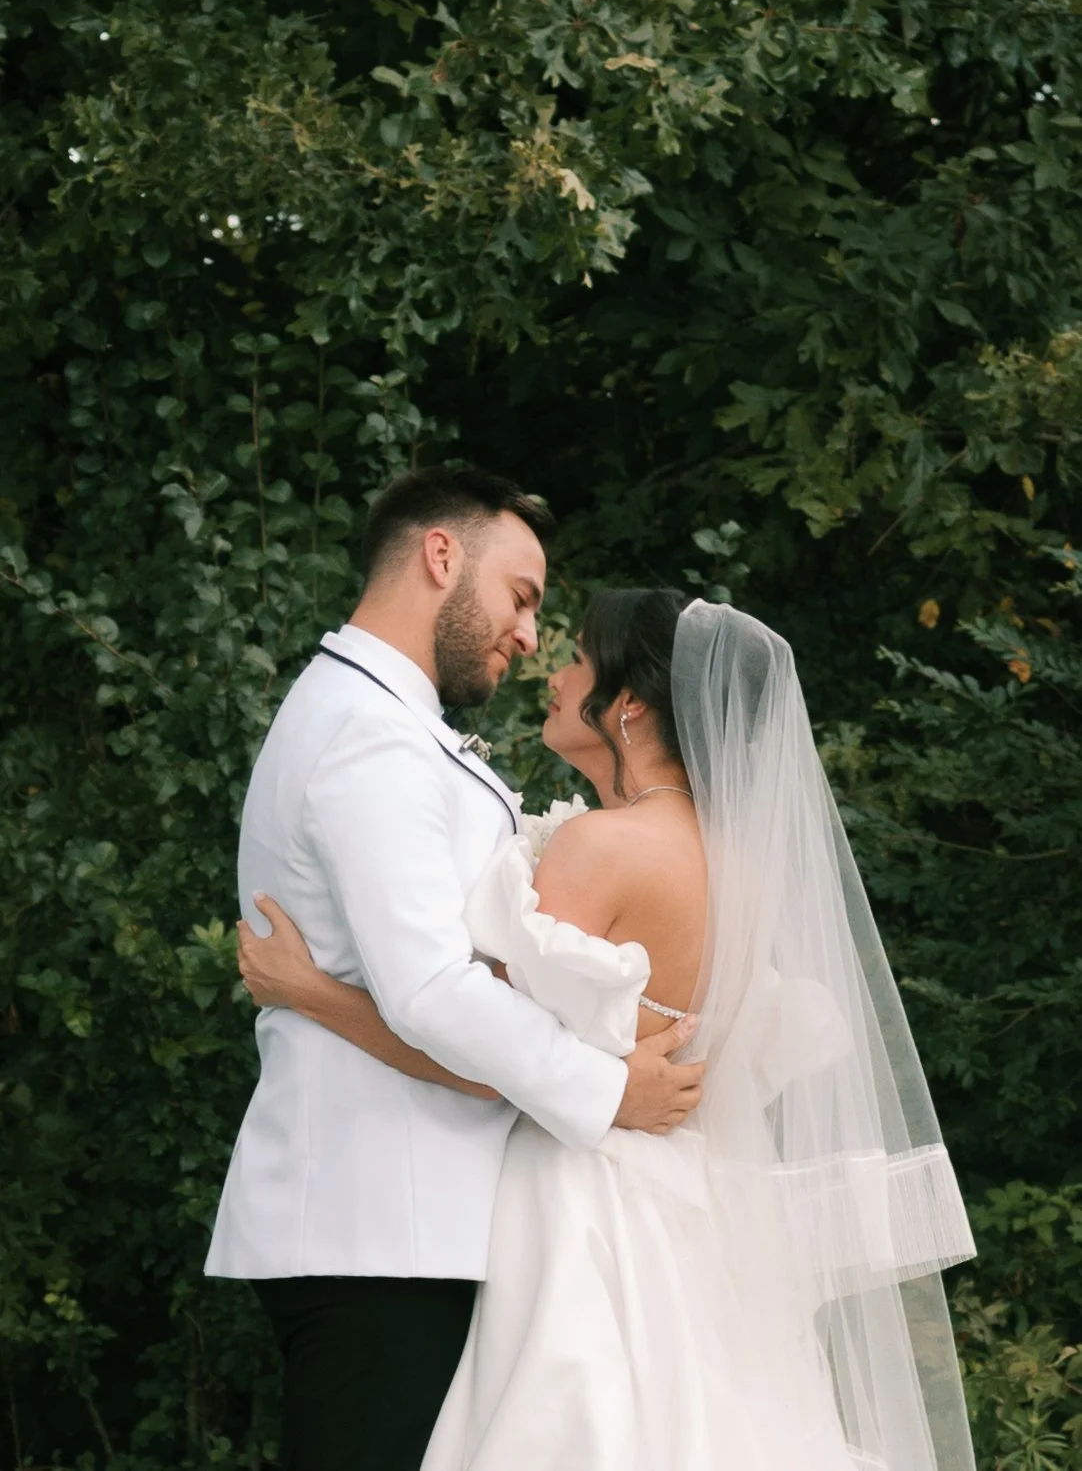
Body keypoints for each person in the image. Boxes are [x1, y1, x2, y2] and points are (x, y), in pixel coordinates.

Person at [241, 592, 981, 1471]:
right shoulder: (742, 867)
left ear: (626, 703)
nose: (554, 673)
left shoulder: (598, 849)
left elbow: (478, 1046)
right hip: (696, 1206)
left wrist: (314, 993)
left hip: (583, 1197)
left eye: (579, 660)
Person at [203, 468, 704, 1471]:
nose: (529, 636)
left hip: (416, 1228)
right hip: (378, 1229)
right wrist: (607, 1090)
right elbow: (431, 989)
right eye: (521, 597)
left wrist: (311, 992)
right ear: (441, 556)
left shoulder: (389, 724)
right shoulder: (368, 736)